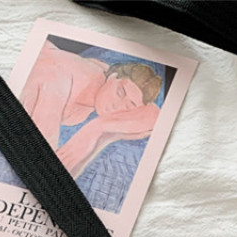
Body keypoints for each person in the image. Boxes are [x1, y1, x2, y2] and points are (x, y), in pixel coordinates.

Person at [20, 39, 162, 178]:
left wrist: (102, 131)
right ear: (112, 77)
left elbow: (154, 115)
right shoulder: (58, 83)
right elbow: (44, 172)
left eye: (128, 106)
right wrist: (96, 132)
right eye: (120, 93)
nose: (117, 107)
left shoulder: (103, 73)